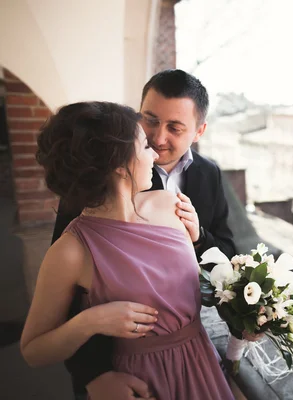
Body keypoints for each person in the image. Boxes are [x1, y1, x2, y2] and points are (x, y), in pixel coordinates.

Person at [21, 101, 235, 400]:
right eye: (145, 145)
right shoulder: (71, 250)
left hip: (203, 363)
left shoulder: (172, 204)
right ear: (119, 163)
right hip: (142, 384)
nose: (154, 153)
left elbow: (204, 282)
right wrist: (89, 321)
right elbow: (33, 351)